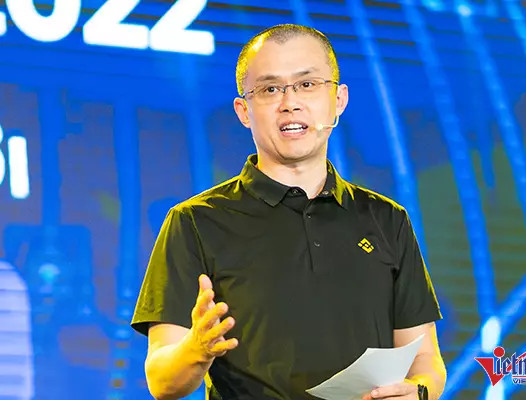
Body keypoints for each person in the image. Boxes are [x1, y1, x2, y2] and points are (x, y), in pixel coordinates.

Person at [131, 24, 446, 400]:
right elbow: (161, 380)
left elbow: (425, 359)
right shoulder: (195, 222)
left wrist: (418, 391)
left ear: (339, 100)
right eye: (270, 89)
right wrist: (196, 350)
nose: (290, 102)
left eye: (307, 84)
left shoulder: (387, 219)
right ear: (243, 111)